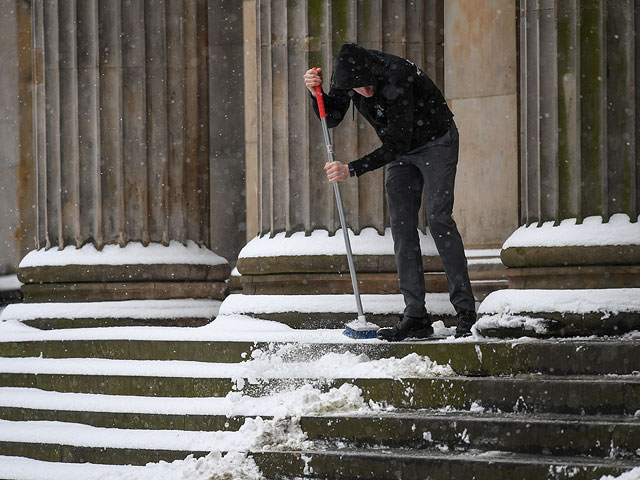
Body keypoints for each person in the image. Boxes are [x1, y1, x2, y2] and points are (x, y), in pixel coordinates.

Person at [303, 42, 476, 340]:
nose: (365, 92)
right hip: (401, 153)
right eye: (359, 89)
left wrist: (352, 169)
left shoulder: (397, 74)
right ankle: (416, 316)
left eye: (369, 86)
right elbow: (331, 118)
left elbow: (398, 142)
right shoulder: (349, 79)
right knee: (402, 228)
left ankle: (465, 312)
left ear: (374, 73)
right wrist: (315, 92)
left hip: (436, 142)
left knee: (438, 219)